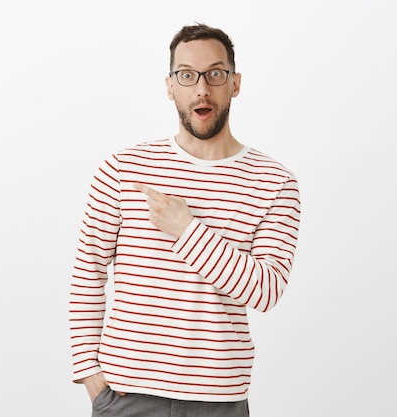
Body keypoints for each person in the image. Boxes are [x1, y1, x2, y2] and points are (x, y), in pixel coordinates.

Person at [69, 23, 301, 417]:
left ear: (235, 83)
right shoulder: (124, 169)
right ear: (170, 85)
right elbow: (88, 270)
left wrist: (188, 231)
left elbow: (265, 291)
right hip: (127, 397)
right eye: (187, 75)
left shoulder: (274, 182)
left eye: (215, 73)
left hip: (219, 402)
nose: (201, 89)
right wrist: (89, 373)